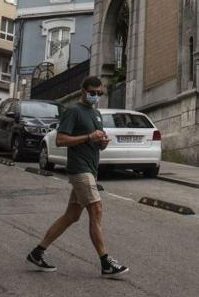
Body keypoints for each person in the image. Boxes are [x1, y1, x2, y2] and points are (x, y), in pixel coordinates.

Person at [25, 77, 128, 278]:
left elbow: (96, 141)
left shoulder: (96, 113)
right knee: (97, 209)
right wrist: (88, 137)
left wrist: (102, 142)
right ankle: (105, 262)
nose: (96, 96)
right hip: (79, 170)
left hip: (90, 168)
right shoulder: (73, 112)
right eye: (92, 92)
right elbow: (61, 139)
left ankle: (37, 252)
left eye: (99, 93)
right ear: (83, 90)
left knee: (71, 216)